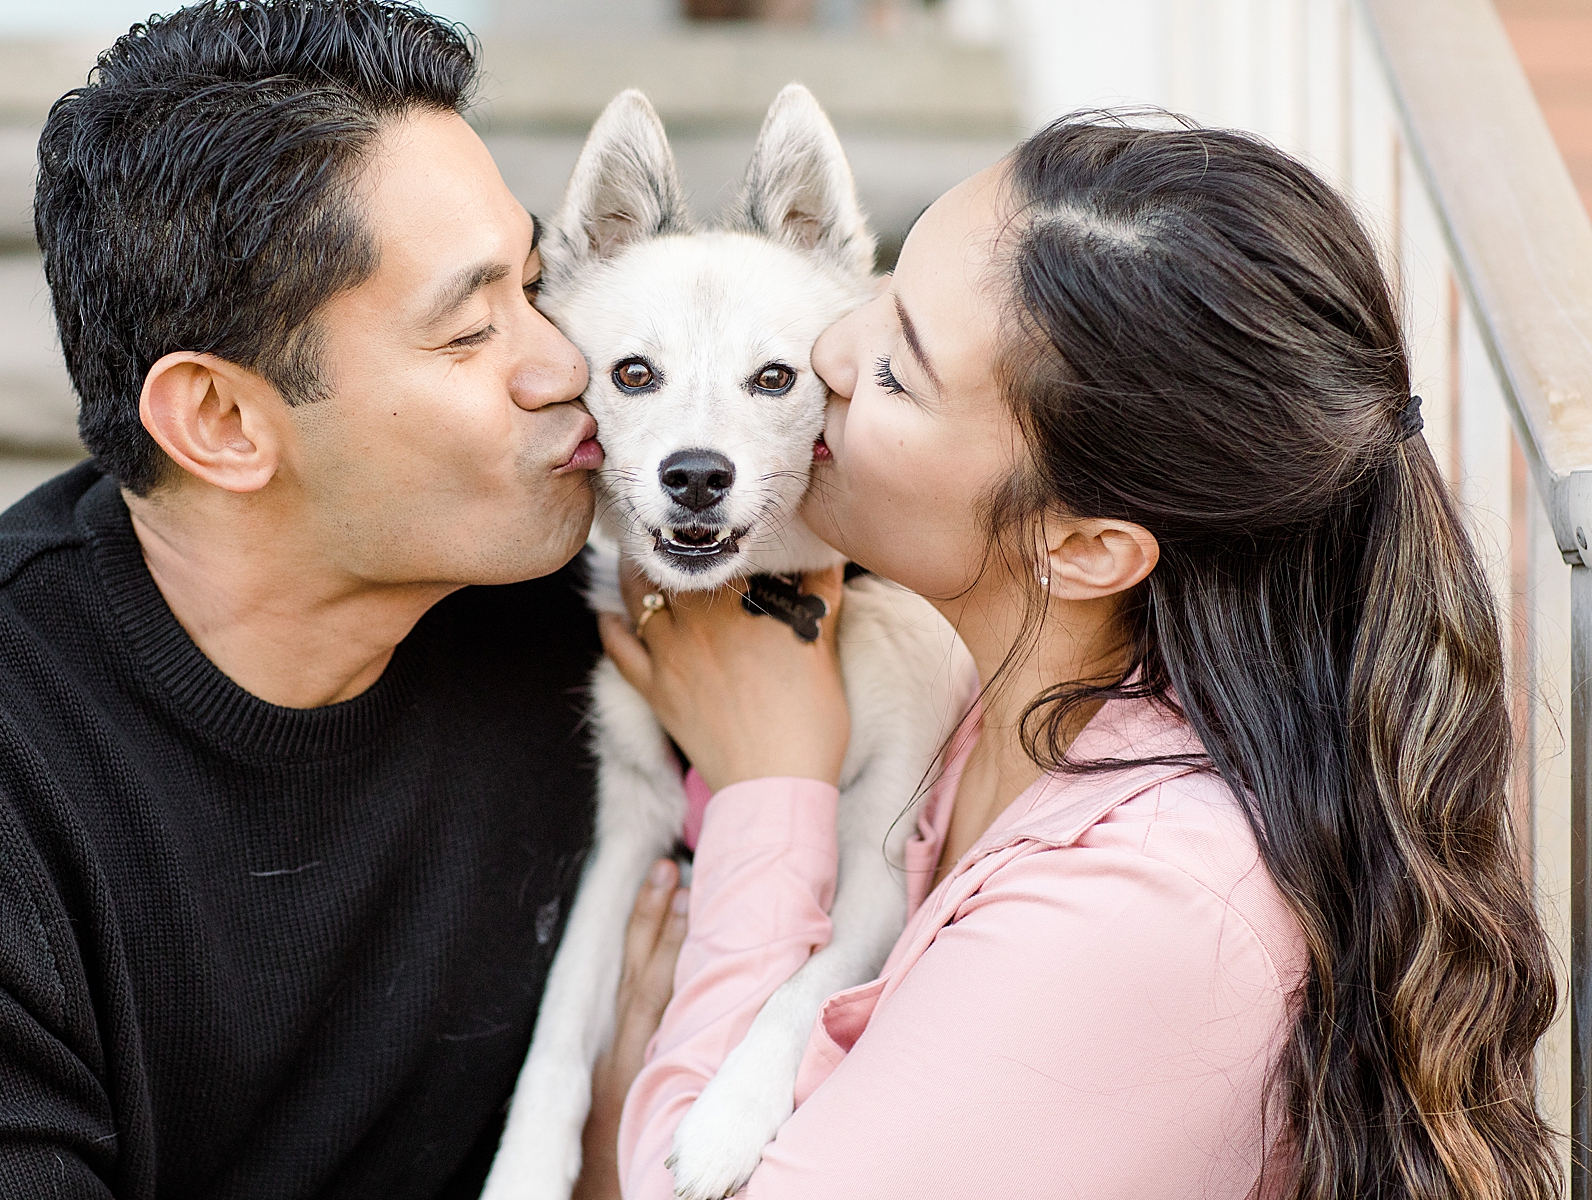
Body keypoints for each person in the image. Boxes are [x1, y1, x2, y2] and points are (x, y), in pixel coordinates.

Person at [0, 3, 687, 1196]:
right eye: (472, 328)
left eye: (536, 284)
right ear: (219, 422)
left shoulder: (634, 619)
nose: (563, 366)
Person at [599, 116, 1560, 1199]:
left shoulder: (1145, 907)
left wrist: (765, 793)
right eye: (878, 293)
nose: (826, 351)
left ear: (1084, 546)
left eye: (897, 370)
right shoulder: (993, 705)